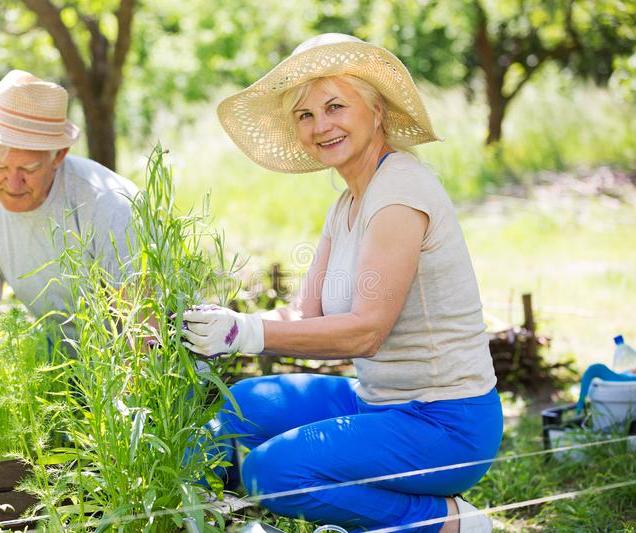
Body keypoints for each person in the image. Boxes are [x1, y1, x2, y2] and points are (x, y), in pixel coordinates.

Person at [182, 34, 502, 533]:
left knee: (272, 472)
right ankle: (208, 514)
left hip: (446, 423)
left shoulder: (400, 189)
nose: (320, 126)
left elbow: (365, 333)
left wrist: (246, 332)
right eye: (305, 115)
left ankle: (447, 522)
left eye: (335, 106)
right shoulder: (347, 202)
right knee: (238, 406)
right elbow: (304, 316)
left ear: (376, 110)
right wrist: (211, 326)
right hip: (375, 400)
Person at [0, 70, 138, 400]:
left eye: (28, 170)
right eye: (0, 166)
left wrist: (122, 420)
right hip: (64, 371)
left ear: (59, 156)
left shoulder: (105, 204)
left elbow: (147, 329)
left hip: (144, 370)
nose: (12, 184)